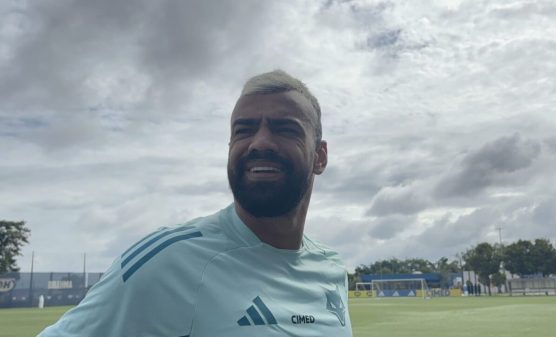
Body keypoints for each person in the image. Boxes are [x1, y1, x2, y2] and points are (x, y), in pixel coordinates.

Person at [38, 70, 353, 336]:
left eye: (285, 129)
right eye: (243, 130)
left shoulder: (330, 267)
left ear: (320, 156)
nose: (259, 142)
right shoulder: (167, 263)